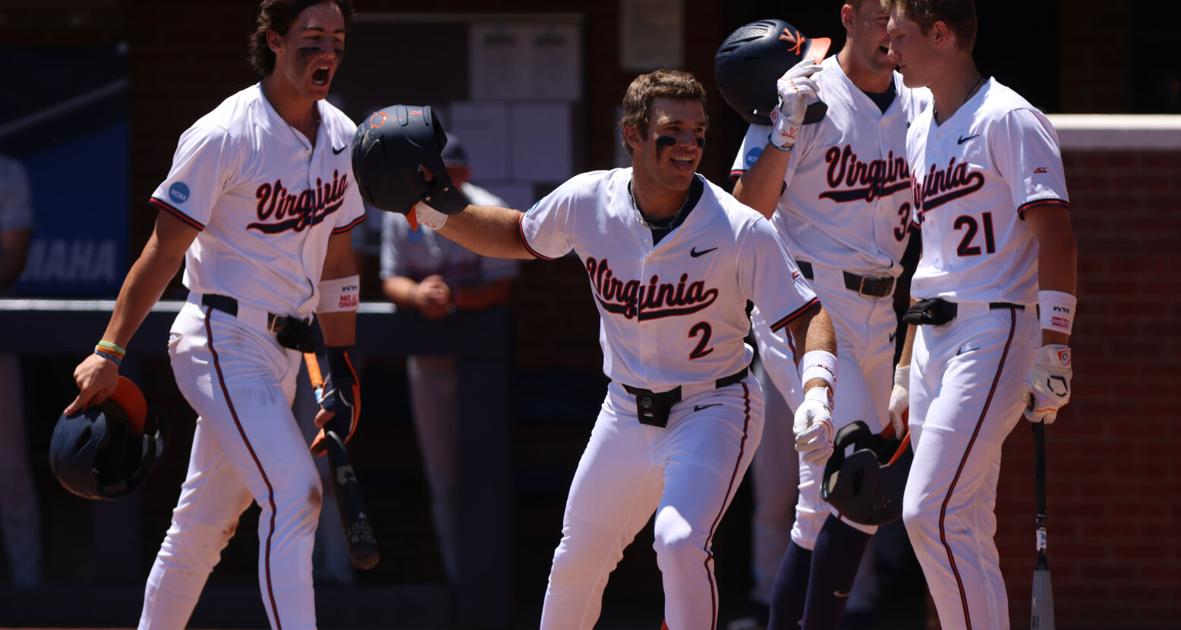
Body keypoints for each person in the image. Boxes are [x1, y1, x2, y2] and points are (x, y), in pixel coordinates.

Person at [369, 69, 838, 629]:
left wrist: (816, 390)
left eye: (698, 132)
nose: (688, 145)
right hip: (624, 409)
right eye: (672, 130)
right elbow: (518, 235)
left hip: (713, 406)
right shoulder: (589, 198)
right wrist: (430, 210)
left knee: (679, 540)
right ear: (632, 135)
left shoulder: (737, 227)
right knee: (576, 557)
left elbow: (810, 315)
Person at [63, 1, 365, 628]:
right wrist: (110, 349)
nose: (326, 52)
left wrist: (340, 364)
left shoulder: (342, 135)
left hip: (286, 352)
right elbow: (163, 249)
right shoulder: (225, 132)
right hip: (220, 337)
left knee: (203, 525)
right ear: (275, 41)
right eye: (311, 38)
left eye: (336, 38)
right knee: (296, 494)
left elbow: (339, 258)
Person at [727, 3, 930, 628]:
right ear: (849, 15)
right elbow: (745, 220)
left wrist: (905, 356)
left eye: (900, 17)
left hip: (881, 307)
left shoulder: (921, 104)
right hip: (803, 305)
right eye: (878, 15)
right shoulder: (804, 88)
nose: (889, 31)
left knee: (844, 504)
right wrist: (784, 127)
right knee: (847, 475)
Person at [883, 1, 1077, 628]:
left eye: (901, 34)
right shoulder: (920, 126)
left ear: (940, 34)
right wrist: (905, 368)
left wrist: (1056, 349)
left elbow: (1057, 238)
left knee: (928, 512)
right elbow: (927, 255)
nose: (891, 47)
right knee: (962, 524)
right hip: (937, 336)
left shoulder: (1009, 117)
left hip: (995, 329)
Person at [378, 133, 518, 585]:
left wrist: (455, 295)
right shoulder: (408, 214)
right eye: (438, 175)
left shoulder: (488, 207)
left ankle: (490, 579)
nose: (445, 183)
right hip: (429, 361)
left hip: (484, 364)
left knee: (486, 468)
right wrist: (419, 295)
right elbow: (389, 280)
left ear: (466, 175)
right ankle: (460, 577)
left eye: (452, 176)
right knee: (442, 474)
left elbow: (502, 285)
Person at [0, 153, 39, 589]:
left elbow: (13, 254)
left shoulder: (8, 172)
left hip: (1, 332)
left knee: (8, 468)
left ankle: (31, 590)